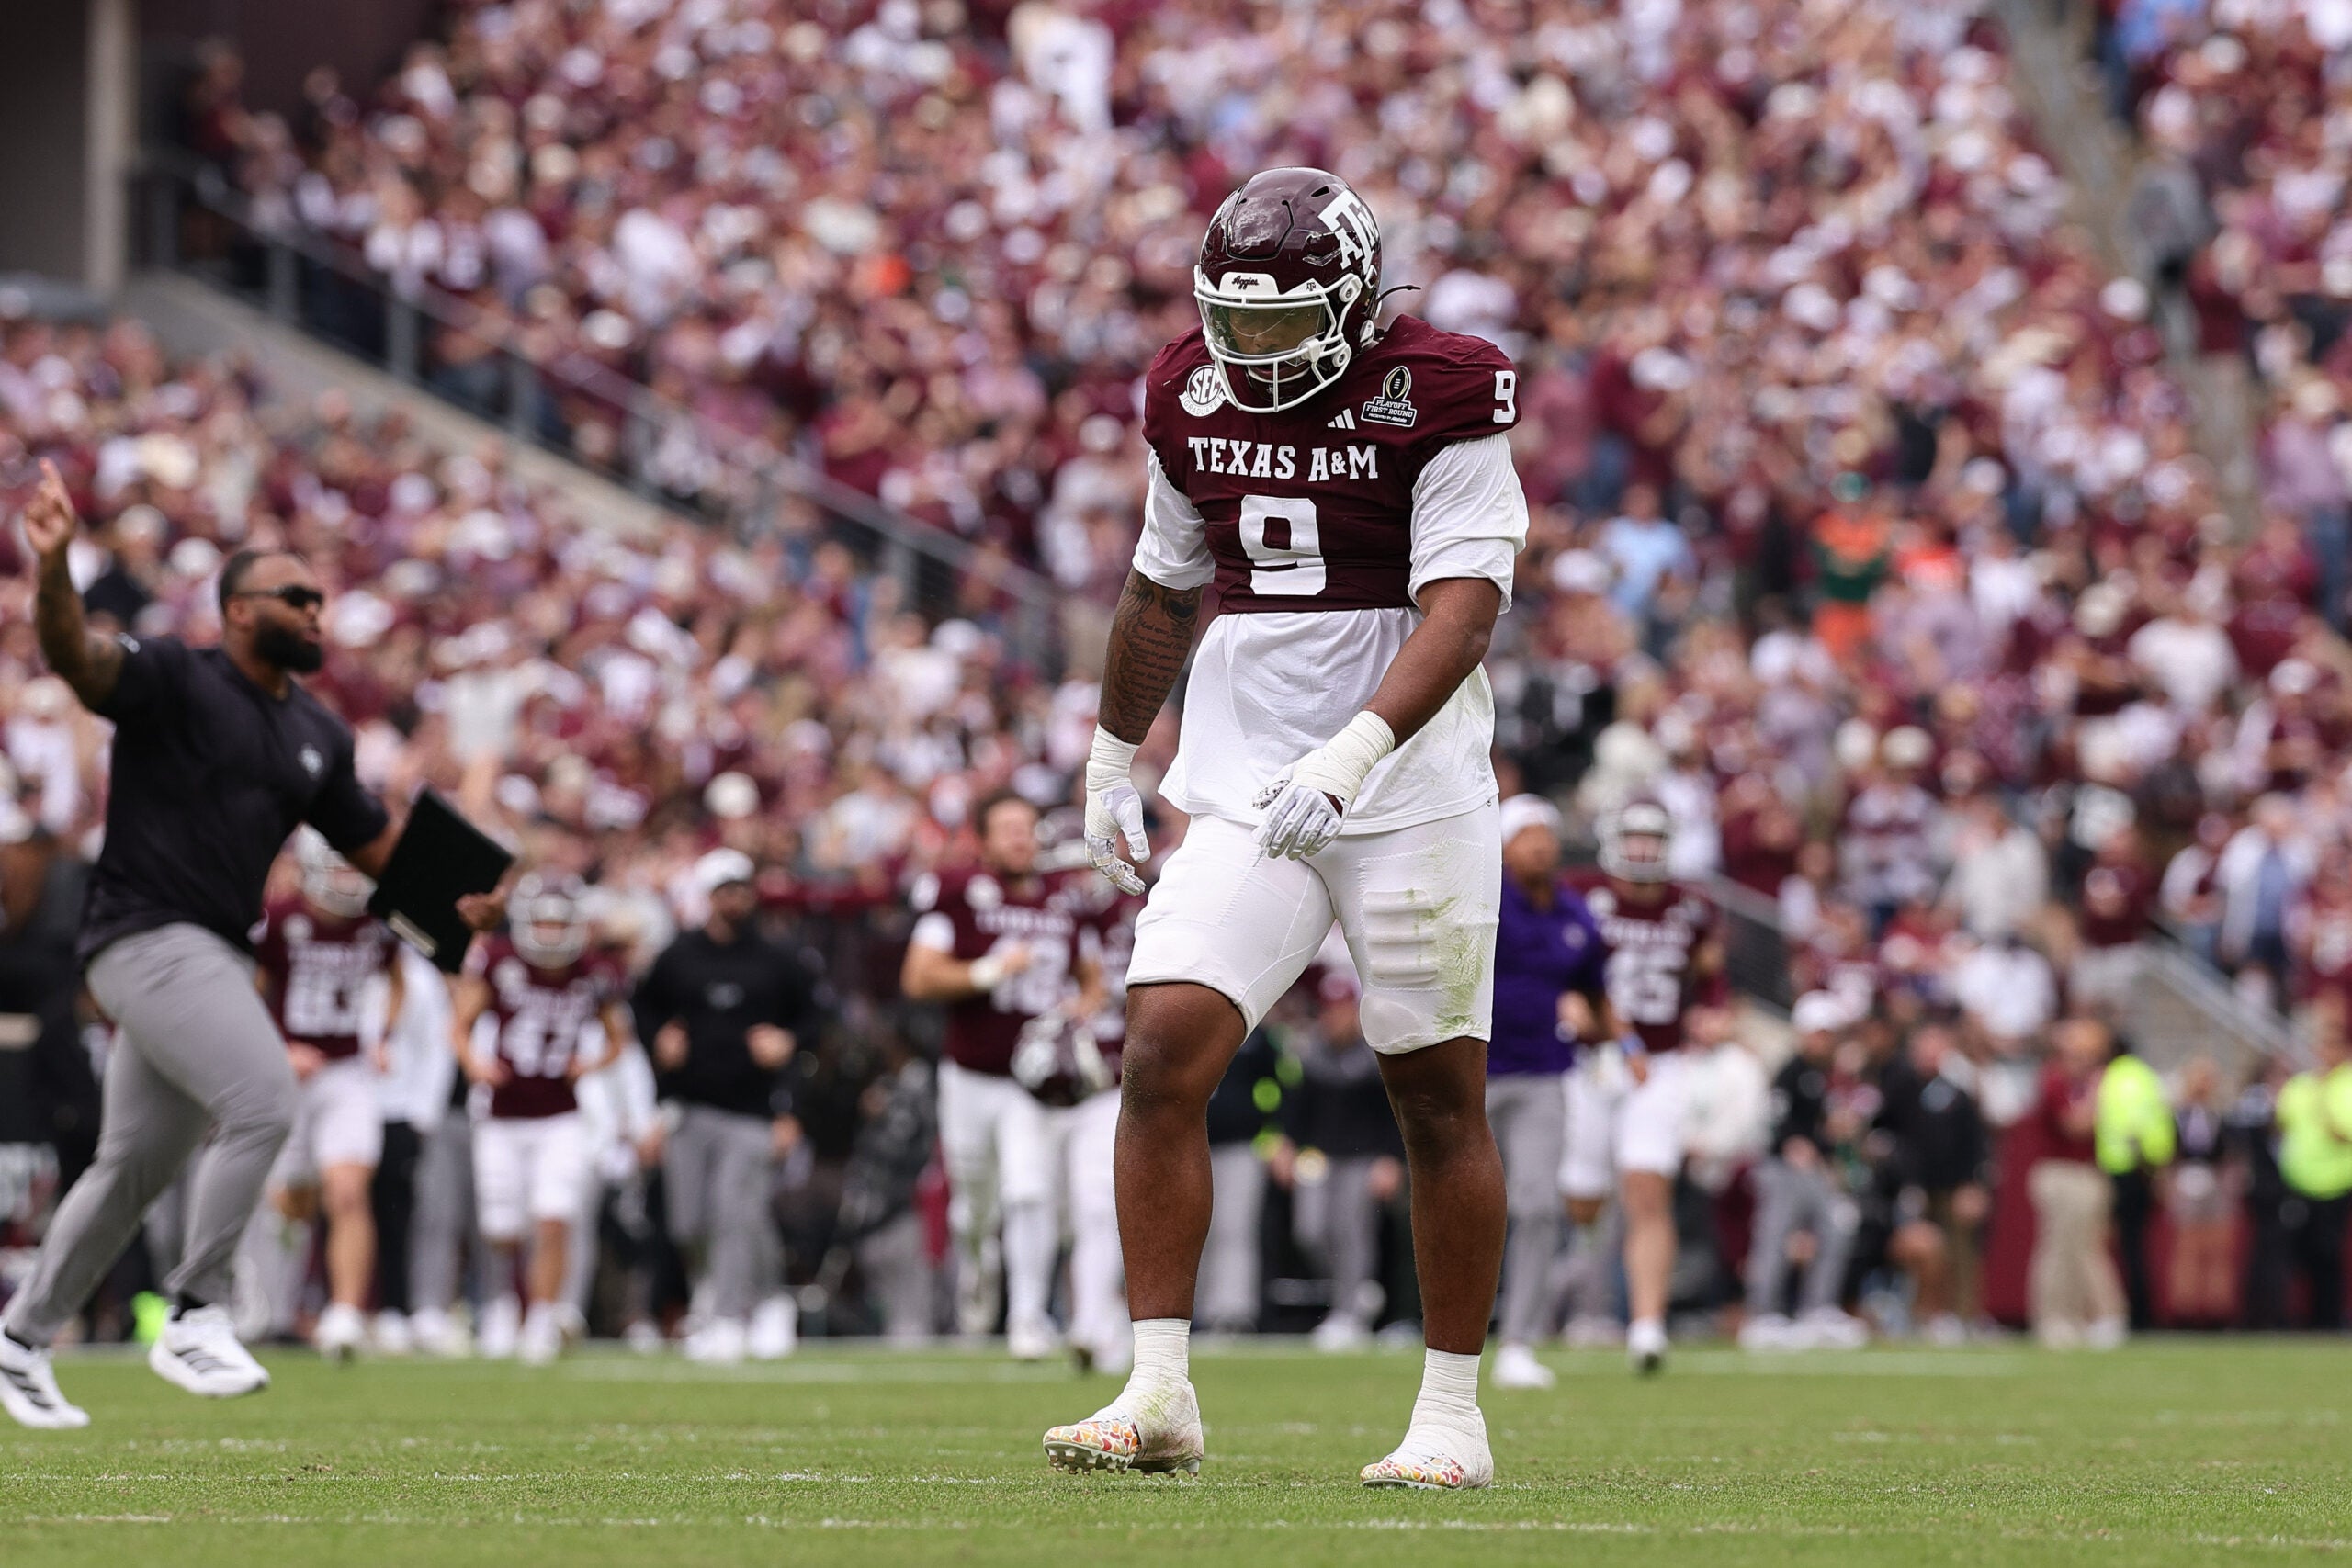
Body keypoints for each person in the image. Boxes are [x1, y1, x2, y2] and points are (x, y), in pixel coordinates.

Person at [1050, 166, 1527, 1489]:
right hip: (1247, 770)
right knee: (1160, 1049)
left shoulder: (1445, 388)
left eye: (1280, 324)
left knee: (1435, 1096)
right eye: (1234, 324)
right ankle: (1156, 1389)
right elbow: (1162, 586)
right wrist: (1109, 755)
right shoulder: (1183, 393)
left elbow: (1463, 608)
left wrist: (1361, 748)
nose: (1250, 353)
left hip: (1409, 777)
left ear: (1361, 298)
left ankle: (1450, 1413)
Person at [0, 464, 491, 1430]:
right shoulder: (178, 676)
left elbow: (376, 848)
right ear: (235, 611)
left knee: (132, 1166)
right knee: (264, 1098)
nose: (316, 610)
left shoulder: (314, 731)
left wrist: (465, 895)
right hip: (141, 934)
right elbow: (76, 657)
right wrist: (52, 569)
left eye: (320, 597)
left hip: (216, 951)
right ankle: (197, 1311)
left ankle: (18, 1341)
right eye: (295, 597)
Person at [902, 792, 1101, 1360]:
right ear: (983, 841)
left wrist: (1076, 1011)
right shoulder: (960, 893)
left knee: (1029, 1190)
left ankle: (1028, 1318)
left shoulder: (1063, 902)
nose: (1020, 838)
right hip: (969, 1076)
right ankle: (978, 1262)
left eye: (1027, 827)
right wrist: (993, 969)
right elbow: (918, 978)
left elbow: (1092, 981)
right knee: (976, 1205)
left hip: (1029, 1081)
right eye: (1007, 829)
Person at [633, 848, 816, 1363]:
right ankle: (755, 1296)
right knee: (688, 1221)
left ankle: (731, 1317)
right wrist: (659, 1039)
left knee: (736, 1212)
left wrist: (787, 1047)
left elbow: (815, 1020)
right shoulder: (679, 955)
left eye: (742, 889)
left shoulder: (777, 958)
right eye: (725, 890)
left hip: (753, 1109)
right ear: (708, 896)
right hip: (691, 1105)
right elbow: (641, 1008)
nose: (735, 899)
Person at [1568, 800, 1727, 1373]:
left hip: (1659, 1066)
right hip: (1591, 1065)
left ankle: (1647, 1327)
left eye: (1650, 840)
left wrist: (1713, 1011)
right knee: (1583, 1199)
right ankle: (1580, 1285)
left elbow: (1711, 976)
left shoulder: (1691, 909)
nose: (1641, 851)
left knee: (1646, 1190)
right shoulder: (1583, 894)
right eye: (1631, 838)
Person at [451, 874, 628, 1365]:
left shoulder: (593, 973)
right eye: (543, 924)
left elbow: (619, 1040)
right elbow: (460, 1027)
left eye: (559, 924)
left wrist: (589, 1065)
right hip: (503, 1115)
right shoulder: (500, 962)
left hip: (560, 1117)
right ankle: (504, 1306)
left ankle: (542, 1318)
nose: (550, 934)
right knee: (503, 1229)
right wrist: (475, 1064)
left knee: (554, 1220)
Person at [250, 830, 405, 1360]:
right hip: (287, 1073)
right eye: (338, 868)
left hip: (347, 1073)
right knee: (289, 1201)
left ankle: (343, 1313)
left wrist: (383, 1034)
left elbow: (398, 983)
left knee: (347, 1190)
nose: (347, 880)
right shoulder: (279, 919)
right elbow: (244, 993)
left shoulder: (377, 925)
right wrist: (281, 1049)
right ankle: (276, 1304)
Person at [1486, 795, 1611, 1389]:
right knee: (1457, 1202)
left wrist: (1600, 1026)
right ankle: (1434, 1330)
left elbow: (1599, 996)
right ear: (1505, 845)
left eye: (1546, 834)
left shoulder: (1577, 916)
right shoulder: (1483, 897)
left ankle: (1518, 1338)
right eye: (1527, 834)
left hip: (1542, 1074)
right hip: (1472, 1071)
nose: (1540, 844)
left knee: (1536, 1206)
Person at [1742, 993, 1867, 1350]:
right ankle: (1762, 1312)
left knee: (1836, 1229)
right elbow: (1776, 1120)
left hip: (1814, 1170)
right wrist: (1794, 1144)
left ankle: (1819, 1309)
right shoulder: (1792, 1071)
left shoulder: (1821, 1074)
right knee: (1776, 1237)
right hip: (1785, 1169)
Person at [2028, 1016, 2129, 1348]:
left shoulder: (2089, 1082)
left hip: (2089, 1171)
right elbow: (2075, 1125)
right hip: (2060, 1172)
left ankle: (2092, 1316)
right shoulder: (2054, 1080)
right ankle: (2055, 1319)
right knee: (2059, 1249)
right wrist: (2099, 1096)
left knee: (2086, 1248)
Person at [2274, 1020, 2352, 1330]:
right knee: (2297, 1254)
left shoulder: (2346, 1085)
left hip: (2335, 1183)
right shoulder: (2301, 1084)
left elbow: (2342, 1134)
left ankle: (2328, 1320)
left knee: (2329, 1255)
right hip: (2297, 1184)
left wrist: (2322, 1106)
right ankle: (2300, 1319)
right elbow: (2281, 1124)